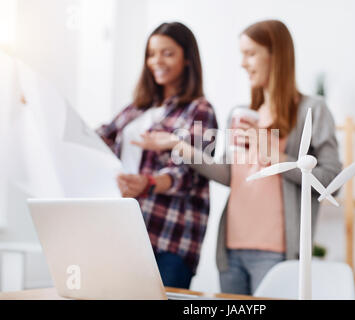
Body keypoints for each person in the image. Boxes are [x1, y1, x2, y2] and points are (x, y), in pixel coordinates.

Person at [134, 20, 342, 295]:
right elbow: (230, 175)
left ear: (276, 55)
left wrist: (269, 152)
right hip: (231, 252)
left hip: (277, 253)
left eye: (251, 53)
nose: (243, 63)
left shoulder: (311, 110)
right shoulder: (242, 112)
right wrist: (178, 144)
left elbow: (331, 181)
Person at [96, 22, 218, 289]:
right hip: (125, 231)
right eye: (152, 54)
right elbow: (99, 139)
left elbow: (188, 174)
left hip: (169, 240)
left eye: (167, 53)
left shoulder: (199, 110)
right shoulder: (137, 109)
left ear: (187, 59)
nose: (157, 61)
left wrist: (148, 183)